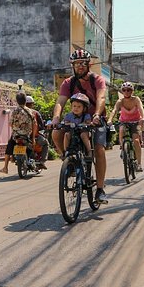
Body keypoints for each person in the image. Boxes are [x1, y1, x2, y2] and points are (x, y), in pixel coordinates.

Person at [51, 48, 109, 203]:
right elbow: (60, 102)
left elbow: (101, 97)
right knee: (56, 134)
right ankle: (67, 158)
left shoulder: (97, 80)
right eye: (76, 64)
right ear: (73, 66)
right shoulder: (68, 83)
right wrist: (56, 118)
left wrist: (96, 115)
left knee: (98, 149)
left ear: (88, 64)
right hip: (75, 120)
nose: (80, 66)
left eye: (83, 63)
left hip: (94, 120)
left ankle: (100, 190)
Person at [107, 81, 144, 172]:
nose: (126, 92)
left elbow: (141, 108)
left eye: (129, 90)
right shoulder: (120, 101)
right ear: (122, 91)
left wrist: (143, 117)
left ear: (132, 91)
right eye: (124, 90)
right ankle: (122, 147)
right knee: (121, 129)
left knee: (136, 141)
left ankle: (139, 164)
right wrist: (110, 119)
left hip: (136, 121)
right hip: (124, 121)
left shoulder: (136, 99)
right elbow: (114, 110)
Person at [1, 92, 35, 174]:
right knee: (31, 147)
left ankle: (5, 167)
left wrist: (15, 128)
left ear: (17, 101)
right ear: (25, 101)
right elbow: (34, 124)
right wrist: (32, 137)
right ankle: (30, 160)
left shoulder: (15, 111)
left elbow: (10, 124)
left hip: (16, 135)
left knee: (9, 146)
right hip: (27, 135)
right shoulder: (30, 111)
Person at [62, 93, 93, 157]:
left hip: (83, 131)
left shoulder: (86, 116)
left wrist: (84, 124)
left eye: (79, 107)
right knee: (67, 134)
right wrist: (68, 124)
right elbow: (65, 122)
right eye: (74, 106)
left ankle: (89, 151)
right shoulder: (68, 115)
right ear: (71, 107)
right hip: (73, 131)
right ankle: (66, 151)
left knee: (83, 135)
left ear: (84, 108)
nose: (76, 108)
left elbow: (88, 122)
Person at [25, 95, 48, 169]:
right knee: (45, 143)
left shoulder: (18, 111)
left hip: (19, 136)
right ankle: (42, 161)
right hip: (34, 136)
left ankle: (13, 157)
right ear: (32, 104)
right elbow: (41, 125)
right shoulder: (35, 113)